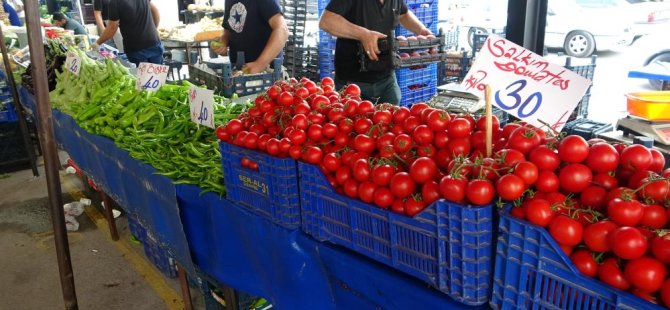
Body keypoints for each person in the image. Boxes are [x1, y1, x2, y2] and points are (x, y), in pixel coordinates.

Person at [319, 0, 432, 105]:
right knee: (356, 124)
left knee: (392, 121)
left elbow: (404, 14)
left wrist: (421, 29)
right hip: (352, 82)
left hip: (387, 78)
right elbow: (327, 21)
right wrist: (363, 34)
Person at [212, 0, 289, 74]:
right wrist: (223, 40)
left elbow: (282, 30)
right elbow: (228, 28)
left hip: (267, 72)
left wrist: (260, 64)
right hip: (238, 69)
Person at [95, 0, 163, 66]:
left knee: (140, 76)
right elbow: (155, 11)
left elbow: (112, 28)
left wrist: (98, 43)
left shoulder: (115, 2)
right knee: (157, 75)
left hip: (136, 49)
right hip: (154, 43)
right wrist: (153, 29)